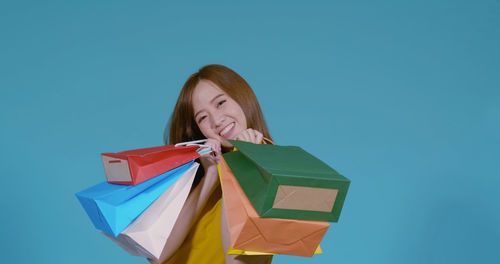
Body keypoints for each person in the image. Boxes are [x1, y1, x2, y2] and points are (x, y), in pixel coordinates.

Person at [150, 65, 273, 264]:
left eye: (221, 103)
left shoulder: (271, 171)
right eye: (203, 117)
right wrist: (211, 177)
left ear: (243, 97)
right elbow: (157, 255)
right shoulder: (201, 176)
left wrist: (242, 168)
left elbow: (238, 261)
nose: (216, 120)